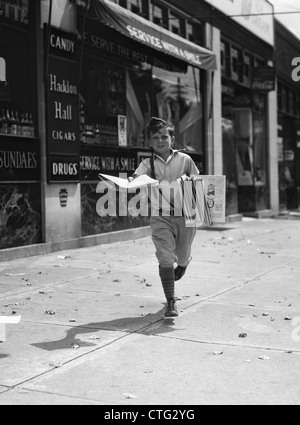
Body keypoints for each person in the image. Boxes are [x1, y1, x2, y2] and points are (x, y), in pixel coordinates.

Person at [131, 117, 201, 318]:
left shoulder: (185, 160)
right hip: (160, 216)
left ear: (172, 139)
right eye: (155, 138)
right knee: (165, 256)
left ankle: (184, 262)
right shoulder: (147, 163)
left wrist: (187, 179)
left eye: (164, 136)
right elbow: (137, 179)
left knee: (181, 253)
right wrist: (132, 181)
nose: (160, 141)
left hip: (185, 214)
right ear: (150, 142)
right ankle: (171, 301)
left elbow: (198, 181)